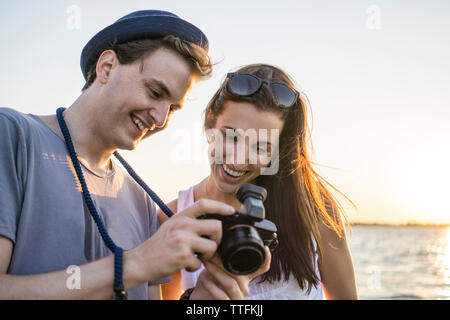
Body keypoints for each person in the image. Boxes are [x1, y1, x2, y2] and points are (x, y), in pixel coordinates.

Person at [0, 10, 269, 300]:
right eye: (154, 92)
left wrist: (199, 299)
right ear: (106, 67)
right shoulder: (13, 136)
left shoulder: (141, 201)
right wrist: (135, 264)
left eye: (173, 108)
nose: (161, 118)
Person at [159, 64, 358, 300]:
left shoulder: (314, 209)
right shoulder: (171, 217)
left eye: (261, 146)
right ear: (211, 119)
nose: (237, 159)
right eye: (231, 137)